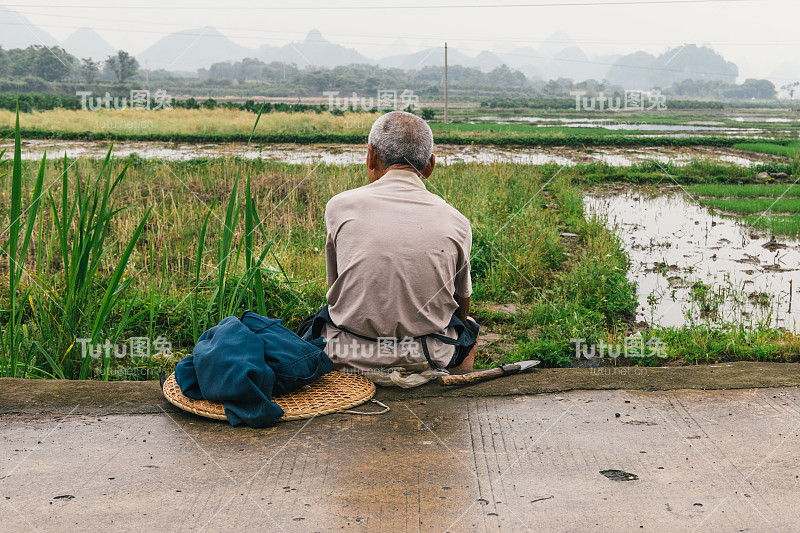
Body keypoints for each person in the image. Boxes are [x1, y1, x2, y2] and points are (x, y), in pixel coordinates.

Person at [302, 111, 479, 375]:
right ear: (430, 165)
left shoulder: (339, 206)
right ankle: (451, 394)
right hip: (426, 356)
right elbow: (461, 305)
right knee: (470, 328)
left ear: (371, 156)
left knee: (313, 321)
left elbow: (336, 286)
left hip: (347, 354)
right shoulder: (457, 221)